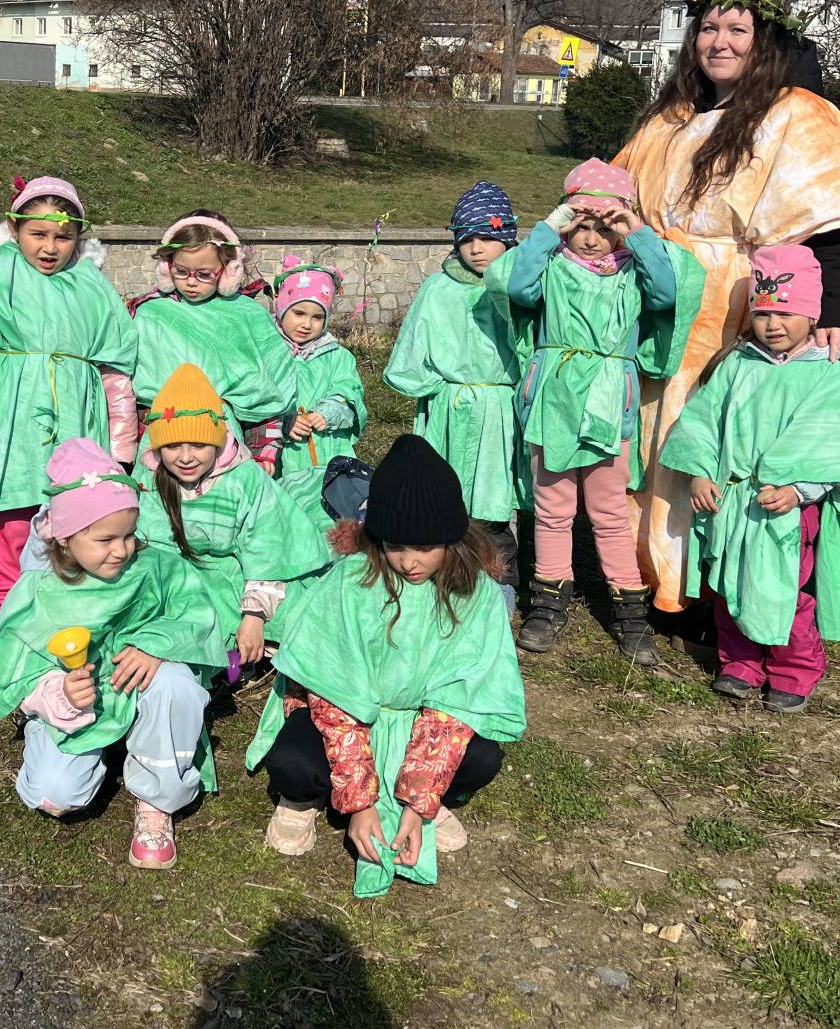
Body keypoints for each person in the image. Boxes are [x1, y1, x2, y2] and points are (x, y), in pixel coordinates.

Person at [613, 0, 840, 616]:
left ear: (763, 41)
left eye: (737, 30)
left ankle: (713, 591)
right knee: (656, 434)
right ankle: (647, 574)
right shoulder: (669, 119)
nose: (719, 42)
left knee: (722, 432)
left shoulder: (793, 115)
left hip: (741, 301)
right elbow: (613, 195)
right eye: (709, 29)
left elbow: (825, 223)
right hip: (656, 302)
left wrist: (835, 313)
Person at [245, 435, 525, 898]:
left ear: (452, 538)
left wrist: (418, 801)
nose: (409, 561)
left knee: (483, 757)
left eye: (425, 547)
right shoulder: (352, 581)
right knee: (293, 761)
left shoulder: (474, 593)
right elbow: (333, 694)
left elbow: (459, 700)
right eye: (395, 545)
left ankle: (428, 797)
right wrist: (360, 803)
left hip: (423, 718)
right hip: (344, 712)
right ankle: (301, 801)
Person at [659, 245, 840, 712]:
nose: (773, 324)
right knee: (729, 585)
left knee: (786, 592)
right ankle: (740, 664)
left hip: (789, 508)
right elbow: (703, 421)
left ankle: (793, 669)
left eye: (785, 313)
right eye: (763, 314)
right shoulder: (737, 365)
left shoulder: (828, 376)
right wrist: (700, 472)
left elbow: (834, 442)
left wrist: (800, 489)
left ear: (812, 315)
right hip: (734, 502)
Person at [0, 437, 223, 870]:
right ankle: (71, 743)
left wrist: (156, 645)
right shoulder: (42, 591)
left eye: (129, 535)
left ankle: (157, 795)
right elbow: (16, 666)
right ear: (65, 539)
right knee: (55, 796)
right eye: (105, 539)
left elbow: (196, 617)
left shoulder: (155, 567)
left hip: (141, 684)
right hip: (80, 705)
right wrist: (56, 692)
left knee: (174, 684)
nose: (122, 549)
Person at [0, 176, 137, 651]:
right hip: (11, 419)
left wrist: (120, 449)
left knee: (75, 514)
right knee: (9, 517)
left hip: (77, 417)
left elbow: (115, 372)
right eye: (38, 234)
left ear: (79, 237)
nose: (50, 247)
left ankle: (60, 604)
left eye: (63, 236)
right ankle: (0, 608)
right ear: (15, 229)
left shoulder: (93, 288)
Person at [501, 161, 704, 665]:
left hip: (611, 401)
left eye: (604, 228)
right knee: (552, 508)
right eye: (581, 226)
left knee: (609, 509)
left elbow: (668, 293)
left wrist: (636, 233)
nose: (591, 239)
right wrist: (549, 229)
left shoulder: (632, 273)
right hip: (554, 399)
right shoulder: (552, 267)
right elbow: (518, 288)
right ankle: (548, 603)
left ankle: (629, 612)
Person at [383, 181, 530, 605]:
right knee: (440, 496)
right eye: (466, 238)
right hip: (448, 408)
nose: (476, 248)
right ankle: (440, 577)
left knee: (492, 502)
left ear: (507, 238)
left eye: (487, 238)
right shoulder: (438, 288)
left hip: (498, 410)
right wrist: (434, 386)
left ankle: (498, 586)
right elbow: (413, 347)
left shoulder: (522, 289)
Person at [133, 364, 330, 674]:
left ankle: (261, 656)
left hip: (243, 567)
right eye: (172, 446)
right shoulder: (153, 479)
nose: (185, 457)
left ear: (217, 442)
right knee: (187, 615)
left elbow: (267, 549)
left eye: (199, 445)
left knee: (300, 616)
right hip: (187, 573)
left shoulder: (244, 479)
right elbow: (157, 549)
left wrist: (254, 615)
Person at [131, 210, 298, 443]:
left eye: (204, 274)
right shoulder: (151, 314)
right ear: (166, 268)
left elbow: (275, 378)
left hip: (230, 434)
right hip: (165, 432)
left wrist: (274, 436)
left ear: (229, 271)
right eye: (181, 271)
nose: (191, 282)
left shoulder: (247, 314)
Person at [253, 256, 367, 518]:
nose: (306, 324)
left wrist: (329, 412)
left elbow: (350, 391)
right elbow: (255, 398)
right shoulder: (265, 352)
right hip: (281, 453)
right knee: (285, 512)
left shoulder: (337, 356)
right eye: (299, 313)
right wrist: (282, 422)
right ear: (282, 308)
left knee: (331, 511)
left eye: (317, 317)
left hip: (327, 448)